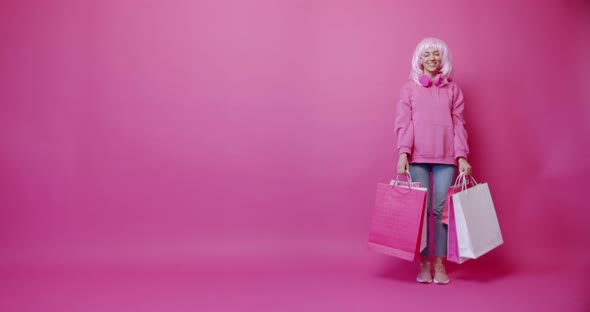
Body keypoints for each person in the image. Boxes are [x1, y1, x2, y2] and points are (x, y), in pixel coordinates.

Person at [394, 37, 472, 284]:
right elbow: (404, 123)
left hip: (446, 157)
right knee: (421, 210)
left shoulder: (453, 89)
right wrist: (403, 153)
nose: (431, 58)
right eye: (427, 54)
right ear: (420, 58)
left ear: (442, 59)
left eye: (436, 54)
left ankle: (439, 264)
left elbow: (459, 124)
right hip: (416, 157)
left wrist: (462, 156)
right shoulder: (408, 88)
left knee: (440, 211)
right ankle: (424, 263)